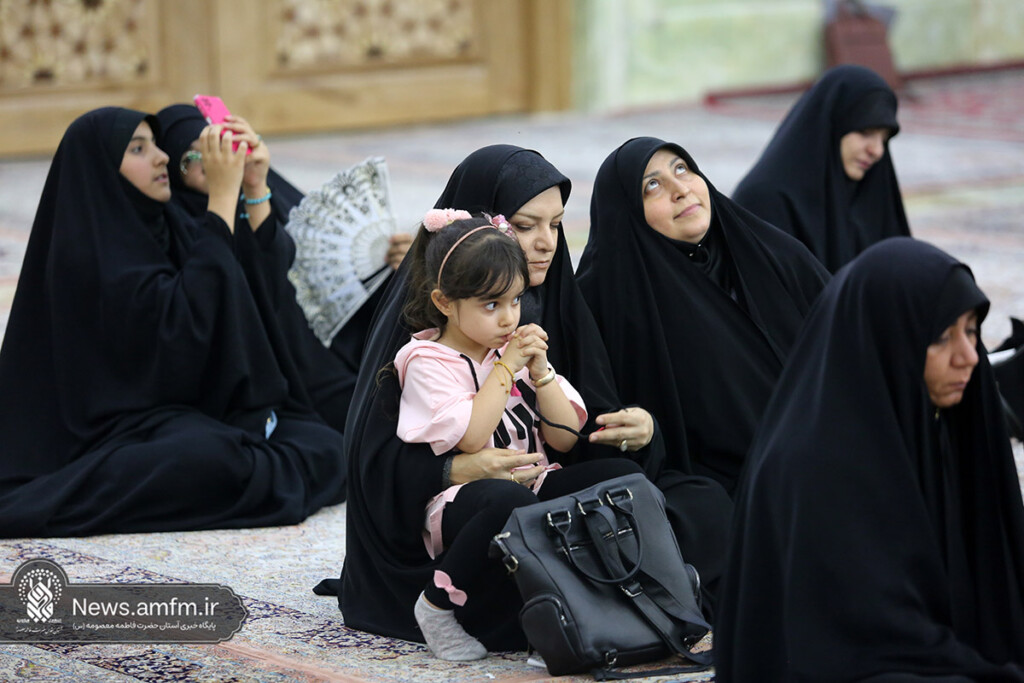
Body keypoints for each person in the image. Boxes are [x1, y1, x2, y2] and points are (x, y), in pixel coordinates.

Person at [326, 145, 731, 652]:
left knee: (694, 503)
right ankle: (462, 605)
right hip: (461, 528)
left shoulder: (556, 306)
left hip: (543, 486)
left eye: (556, 225)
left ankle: (646, 601)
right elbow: (375, 466)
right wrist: (453, 470)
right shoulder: (424, 343)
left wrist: (637, 430)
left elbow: (575, 432)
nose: (545, 243)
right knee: (510, 517)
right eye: (524, 226)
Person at [0, 107, 345, 536]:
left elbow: (252, 282)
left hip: (186, 410)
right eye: (138, 149)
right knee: (205, 455)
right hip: (113, 426)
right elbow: (181, 332)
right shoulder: (88, 252)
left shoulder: (166, 223)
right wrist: (222, 200)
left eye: (156, 145)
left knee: (325, 445)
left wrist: (254, 186)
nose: (161, 157)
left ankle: (256, 467)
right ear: (102, 168)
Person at [715, 238, 1024, 681]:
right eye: (941, 337)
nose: (969, 357)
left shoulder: (932, 425)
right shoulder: (814, 467)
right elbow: (861, 641)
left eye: (972, 331)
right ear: (889, 339)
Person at [396, 211, 641, 660]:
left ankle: (622, 597)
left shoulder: (508, 350)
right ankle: (436, 605)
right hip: (466, 502)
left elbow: (564, 439)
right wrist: (507, 367)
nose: (509, 317)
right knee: (507, 500)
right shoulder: (426, 361)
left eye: (514, 300)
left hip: (533, 483)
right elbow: (471, 438)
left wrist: (541, 373)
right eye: (491, 305)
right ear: (445, 302)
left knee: (624, 478)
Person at [576, 137, 830, 496]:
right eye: (652, 185)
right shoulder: (605, 300)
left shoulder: (771, 255)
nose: (681, 190)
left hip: (824, 457)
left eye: (682, 169)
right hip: (715, 493)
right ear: (628, 211)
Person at [155, 103, 412, 432]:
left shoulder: (258, 198)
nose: (215, 160)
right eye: (196, 155)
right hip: (264, 372)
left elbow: (277, 267)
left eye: (222, 147)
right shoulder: (173, 228)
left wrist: (397, 263)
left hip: (320, 356)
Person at [732, 64, 910, 273]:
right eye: (865, 132)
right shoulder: (764, 201)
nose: (877, 151)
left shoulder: (870, 193)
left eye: (885, 138)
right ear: (831, 125)